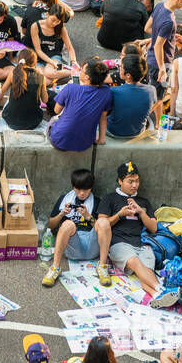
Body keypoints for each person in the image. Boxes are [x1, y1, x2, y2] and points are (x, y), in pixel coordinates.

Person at [94, 160, 161, 294]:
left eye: (137, 181)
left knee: (146, 272)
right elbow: (101, 224)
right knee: (135, 263)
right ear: (120, 181)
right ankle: (161, 289)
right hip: (119, 243)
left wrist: (141, 212)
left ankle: (157, 296)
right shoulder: (109, 198)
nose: (134, 185)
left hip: (141, 243)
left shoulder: (143, 201)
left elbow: (153, 228)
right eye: (130, 181)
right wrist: (120, 214)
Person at [42, 169, 100, 287]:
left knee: (103, 222)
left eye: (86, 189)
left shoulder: (97, 201)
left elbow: (103, 229)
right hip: (73, 246)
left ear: (91, 188)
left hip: (92, 244)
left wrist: (88, 216)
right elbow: (50, 226)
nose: (82, 193)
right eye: (78, 189)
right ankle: (55, 268)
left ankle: (103, 266)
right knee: (68, 224)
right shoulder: (65, 198)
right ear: (73, 187)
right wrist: (61, 214)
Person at [48, 57, 112, 151]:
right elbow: (103, 118)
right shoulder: (106, 92)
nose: (80, 71)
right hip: (84, 144)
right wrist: (101, 139)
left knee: (53, 120)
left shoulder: (70, 88)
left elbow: (56, 110)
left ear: (87, 77)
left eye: (82, 70)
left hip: (59, 141)